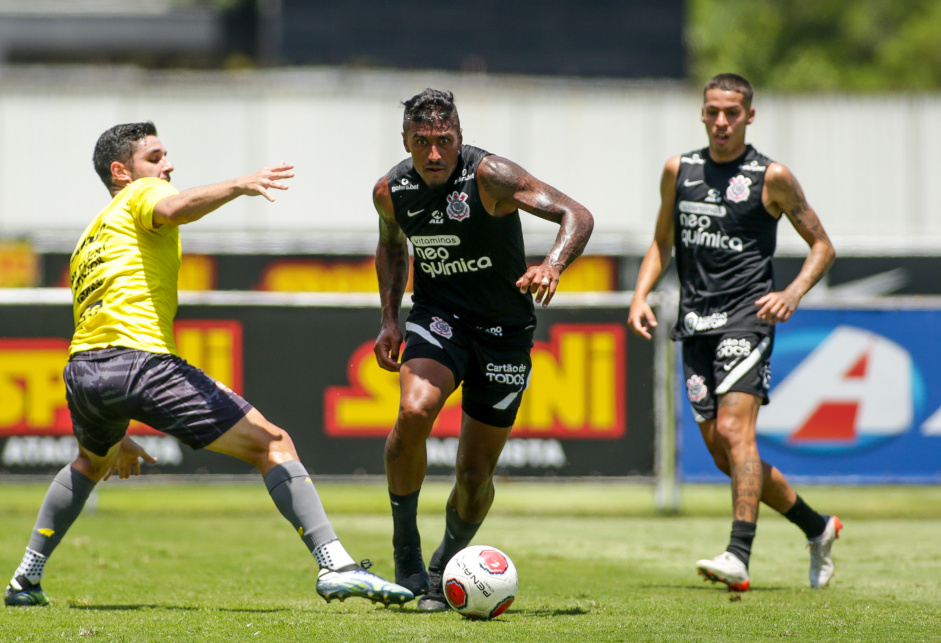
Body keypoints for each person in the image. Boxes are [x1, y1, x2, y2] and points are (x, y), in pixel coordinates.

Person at [4, 121, 413, 608]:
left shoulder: (89, 239)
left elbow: (95, 323)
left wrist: (113, 423)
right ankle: (335, 565)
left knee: (92, 461)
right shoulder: (140, 197)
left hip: (84, 369)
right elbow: (174, 207)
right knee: (274, 443)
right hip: (139, 361)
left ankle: (24, 579)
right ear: (122, 172)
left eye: (165, 156)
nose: (167, 166)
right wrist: (240, 185)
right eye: (154, 158)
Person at [372, 89, 594, 610]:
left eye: (443, 142)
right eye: (421, 142)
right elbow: (390, 245)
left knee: (474, 477)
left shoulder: (490, 176)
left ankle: (442, 569)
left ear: (460, 138)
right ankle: (406, 555)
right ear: (405, 140)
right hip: (437, 319)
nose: (433, 155)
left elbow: (577, 215)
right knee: (414, 409)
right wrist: (388, 320)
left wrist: (553, 265)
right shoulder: (391, 190)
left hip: (504, 333)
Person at [627, 73, 840, 591]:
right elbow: (662, 242)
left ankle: (738, 556)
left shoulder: (772, 176)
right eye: (712, 112)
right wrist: (639, 295)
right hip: (695, 322)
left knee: (734, 433)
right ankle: (818, 528)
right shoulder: (680, 170)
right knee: (725, 455)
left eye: (732, 113)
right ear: (702, 114)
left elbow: (822, 246)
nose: (721, 121)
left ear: (749, 116)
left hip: (748, 318)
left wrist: (791, 293)